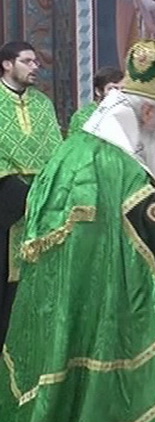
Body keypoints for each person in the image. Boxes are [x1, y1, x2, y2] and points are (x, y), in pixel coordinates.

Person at [0, 39, 155, 422]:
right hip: (101, 323)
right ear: (146, 111)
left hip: (61, 316)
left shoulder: (81, 147)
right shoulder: (117, 166)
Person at [0, 41, 63, 347]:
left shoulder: (42, 104)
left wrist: (48, 188)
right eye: (27, 61)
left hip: (42, 198)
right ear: (7, 64)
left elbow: (55, 149)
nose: (35, 67)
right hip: (5, 199)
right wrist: (17, 190)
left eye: (36, 62)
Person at [68, 66, 124, 133]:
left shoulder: (127, 113)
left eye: (122, 89)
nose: (119, 93)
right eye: (112, 89)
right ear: (98, 92)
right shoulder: (83, 117)